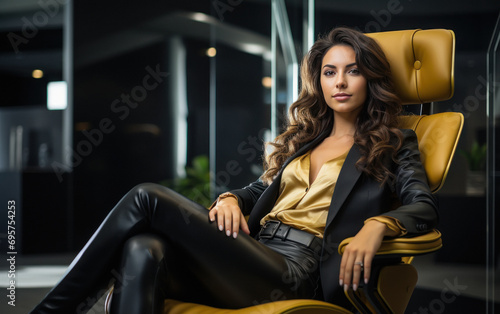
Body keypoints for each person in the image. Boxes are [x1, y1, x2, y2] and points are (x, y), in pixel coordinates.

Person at [30, 27, 437, 314]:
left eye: (353, 70)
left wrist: (379, 224)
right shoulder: (304, 140)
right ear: (319, 81)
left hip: (299, 268)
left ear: (371, 78)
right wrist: (228, 197)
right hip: (255, 251)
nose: (340, 82)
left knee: (146, 197)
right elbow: (256, 189)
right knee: (143, 250)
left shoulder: (394, 143)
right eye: (329, 72)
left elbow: (424, 206)